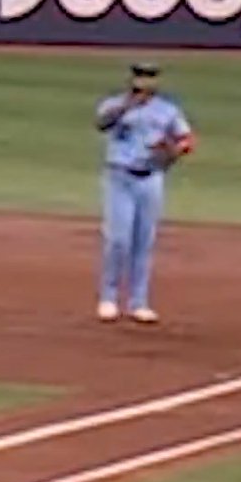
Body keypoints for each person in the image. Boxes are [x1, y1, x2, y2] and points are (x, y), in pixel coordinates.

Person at [95, 62, 194, 324]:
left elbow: (186, 139)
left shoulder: (168, 110)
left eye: (149, 78)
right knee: (118, 239)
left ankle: (139, 301)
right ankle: (108, 297)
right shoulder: (114, 104)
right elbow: (102, 123)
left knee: (143, 241)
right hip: (119, 176)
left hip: (150, 179)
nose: (144, 84)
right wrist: (128, 105)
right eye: (140, 78)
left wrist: (173, 152)